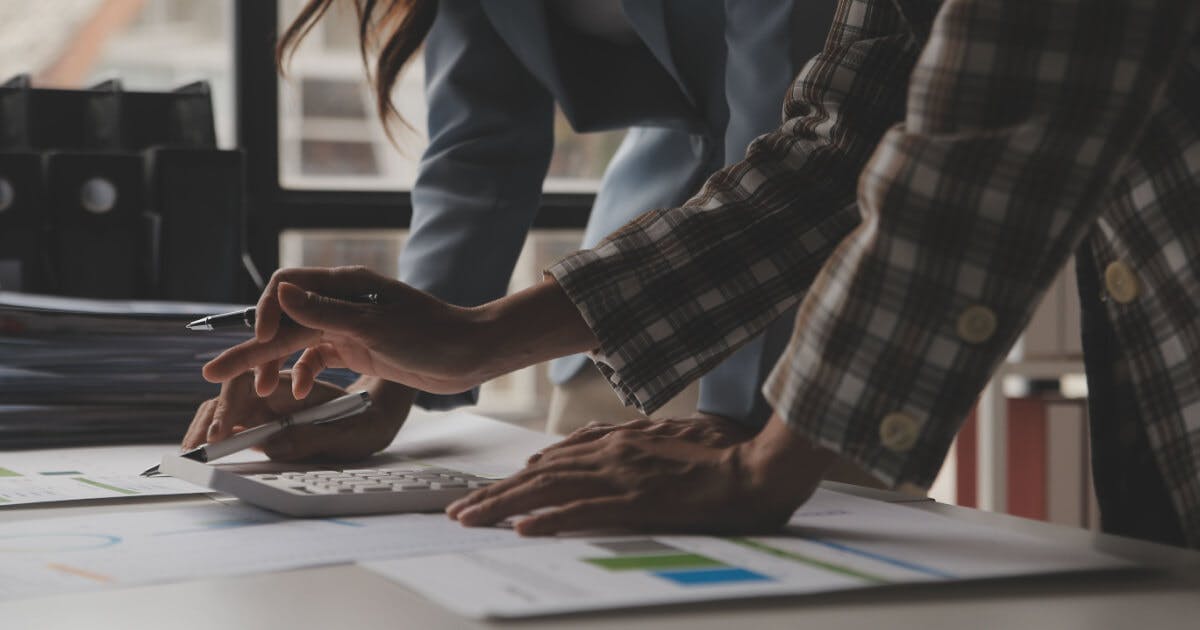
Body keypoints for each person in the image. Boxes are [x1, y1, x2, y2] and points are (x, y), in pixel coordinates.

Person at [204, 0, 1200, 549]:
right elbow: (832, 146)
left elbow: (983, 141)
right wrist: (464, 342)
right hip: (1153, 301)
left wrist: (759, 449)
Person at [188, 0, 843, 461]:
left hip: (833, 281)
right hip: (629, 282)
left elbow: (798, 145)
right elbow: (479, 154)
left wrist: (732, 417)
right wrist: (390, 377)